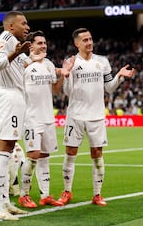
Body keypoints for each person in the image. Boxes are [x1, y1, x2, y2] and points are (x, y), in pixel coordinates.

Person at [57, 28, 135, 206]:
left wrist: (120, 77)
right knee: (70, 153)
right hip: (75, 115)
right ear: (77, 43)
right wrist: (67, 74)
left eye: (90, 39)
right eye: (85, 40)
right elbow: (67, 92)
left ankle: (97, 194)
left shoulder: (102, 62)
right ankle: (67, 191)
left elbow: (109, 88)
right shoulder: (71, 62)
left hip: (96, 116)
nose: (89, 42)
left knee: (97, 154)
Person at [18, 30, 73, 208]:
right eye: (39, 43)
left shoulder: (49, 64)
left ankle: (45, 195)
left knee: (44, 156)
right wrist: (29, 61)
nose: (43, 46)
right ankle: (23, 194)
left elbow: (55, 90)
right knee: (33, 155)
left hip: (48, 117)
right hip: (31, 118)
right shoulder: (22, 63)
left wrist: (63, 76)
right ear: (30, 45)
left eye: (45, 43)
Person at [0, 11, 31, 221]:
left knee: (9, 149)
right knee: (3, 151)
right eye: (23, 23)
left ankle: (5, 201)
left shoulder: (14, 42)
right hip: (6, 96)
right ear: (11, 26)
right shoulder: (5, 39)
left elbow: (25, 64)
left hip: (14, 97)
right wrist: (15, 53)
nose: (27, 27)